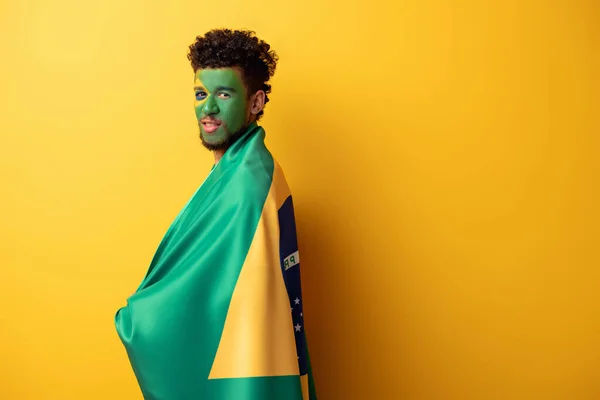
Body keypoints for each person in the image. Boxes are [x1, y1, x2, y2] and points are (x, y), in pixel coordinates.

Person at [114, 28, 317, 400]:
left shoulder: (246, 185)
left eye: (223, 94)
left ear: (256, 102)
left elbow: (214, 296)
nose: (207, 109)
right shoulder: (246, 170)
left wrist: (137, 320)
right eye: (200, 94)